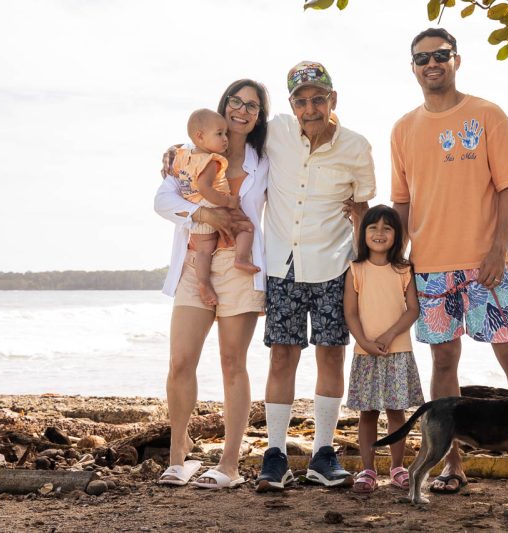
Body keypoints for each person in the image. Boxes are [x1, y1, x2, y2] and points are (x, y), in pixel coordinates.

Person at [391, 28, 508, 498]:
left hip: (487, 265)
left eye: (441, 55)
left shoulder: (487, 114)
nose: (432, 63)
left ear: (456, 60)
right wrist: (400, 257)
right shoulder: (404, 128)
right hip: (430, 268)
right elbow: (402, 201)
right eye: (422, 56)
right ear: (412, 66)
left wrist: (496, 248)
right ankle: (451, 466)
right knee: (443, 361)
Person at [255, 61, 376, 492]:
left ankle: (323, 454)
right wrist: (179, 156)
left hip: (333, 265)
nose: (310, 108)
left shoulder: (357, 147)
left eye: (318, 99)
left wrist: (366, 263)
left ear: (333, 100)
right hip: (281, 266)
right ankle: (275, 455)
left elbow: (361, 207)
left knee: (331, 353)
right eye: (302, 100)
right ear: (292, 104)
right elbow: (226, 134)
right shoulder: (275, 133)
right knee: (282, 355)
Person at [154, 79, 269, 488]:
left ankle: (230, 464)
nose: (241, 110)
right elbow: (163, 201)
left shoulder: (267, 159)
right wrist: (203, 216)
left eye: (252, 105)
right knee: (181, 360)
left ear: (259, 116)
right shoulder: (187, 156)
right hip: (193, 262)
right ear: (223, 108)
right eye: (235, 102)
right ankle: (178, 457)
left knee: (231, 363)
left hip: (241, 267)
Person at [343, 205, 424, 494]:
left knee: (396, 411)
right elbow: (351, 314)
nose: (379, 233)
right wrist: (364, 342)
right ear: (363, 233)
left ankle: (397, 467)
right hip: (365, 353)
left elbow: (412, 310)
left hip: (397, 351)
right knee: (367, 413)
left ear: (396, 235)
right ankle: (367, 469)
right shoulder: (356, 269)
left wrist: (389, 336)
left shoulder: (403, 270)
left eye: (387, 228)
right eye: (372, 227)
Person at [173, 108, 258, 307]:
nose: (225, 138)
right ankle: (241, 258)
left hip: (194, 211)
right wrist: (228, 202)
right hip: (213, 205)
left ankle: (203, 283)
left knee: (203, 251)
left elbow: (177, 173)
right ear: (200, 136)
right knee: (246, 227)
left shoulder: (183, 156)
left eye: (225, 133)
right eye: (219, 134)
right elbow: (205, 188)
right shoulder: (210, 161)